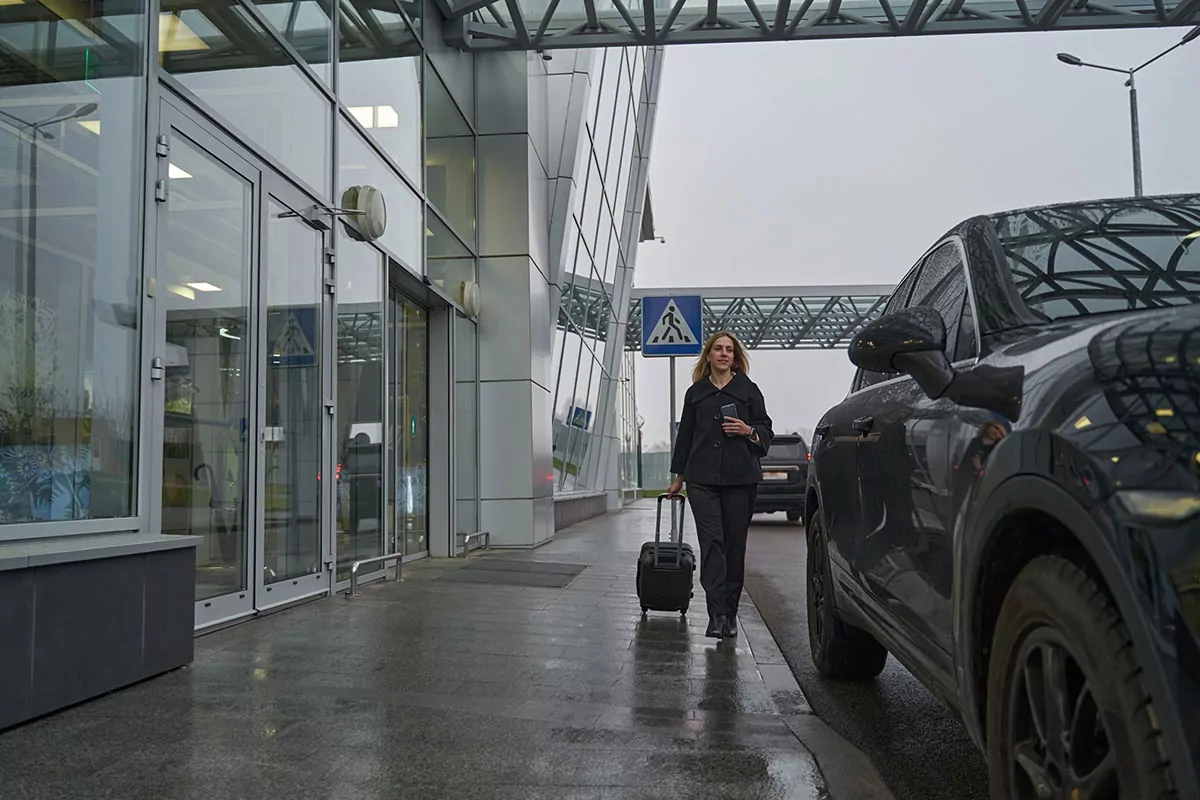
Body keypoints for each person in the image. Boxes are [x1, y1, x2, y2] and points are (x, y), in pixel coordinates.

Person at [666, 331, 774, 639]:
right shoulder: (695, 393)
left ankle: (730, 613)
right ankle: (716, 615)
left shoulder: (749, 391)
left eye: (729, 349)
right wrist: (678, 479)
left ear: (735, 357)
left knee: (733, 546)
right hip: (701, 480)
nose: (724, 354)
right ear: (709, 356)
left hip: (741, 480)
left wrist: (747, 430)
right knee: (712, 544)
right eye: (718, 349)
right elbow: (685, 437)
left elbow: (766, 431)